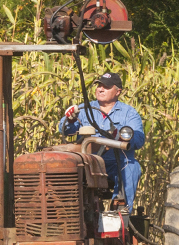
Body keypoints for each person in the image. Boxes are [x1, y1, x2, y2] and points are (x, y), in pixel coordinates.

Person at [59, 72, 146, 212]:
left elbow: (139, 139)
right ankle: (67, 212)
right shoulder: (84, 109)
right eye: (99, 85)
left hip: (115, 164)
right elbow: (64, 130)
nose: (100, 89)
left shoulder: (129, 113)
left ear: (118, 91)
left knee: (131, 166)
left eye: (106, 86)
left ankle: (120, 213)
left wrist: (124, 136)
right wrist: (70, 119)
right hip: (87, 162)